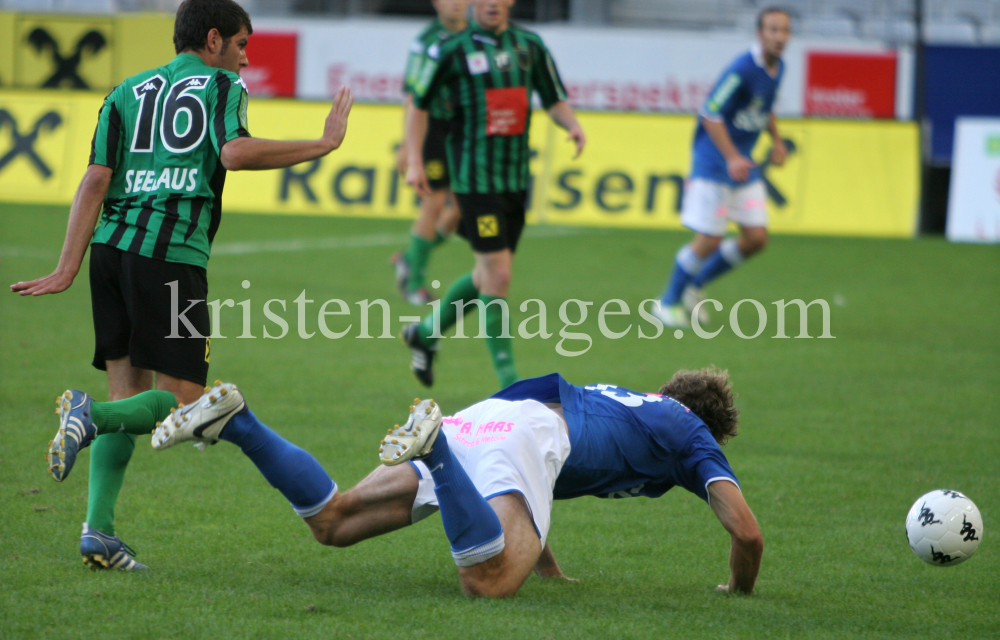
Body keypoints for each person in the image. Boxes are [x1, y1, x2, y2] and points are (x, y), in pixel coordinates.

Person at [13, 0, 353, 570]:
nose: (245, 61)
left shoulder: (125, 90)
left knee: (132, 394)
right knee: (185, 402)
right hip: (171, 257)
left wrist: (68, 266)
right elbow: (235, 154)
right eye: (242, 46)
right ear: (214, 39)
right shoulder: (222, 87)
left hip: (110, 253)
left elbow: (96, 178)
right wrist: (323, 145)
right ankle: (89, 414)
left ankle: (98, 530)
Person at [47, 368, 763, 596]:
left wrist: (547, 559)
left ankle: (240, 425)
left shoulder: (625, 406)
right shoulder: (687, 433)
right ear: (710, 423)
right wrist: (741, 588)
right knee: (488, 581)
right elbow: (748, 532)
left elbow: (532, 480)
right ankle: (438, 453)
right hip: (517, 440)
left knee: (334, 521)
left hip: (487, 418)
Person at [401, 0, 586, 389]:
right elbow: (418, 104)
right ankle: (510, 384)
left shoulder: (529, 46)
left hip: (515, 179)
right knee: (498, 274)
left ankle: (426, 333)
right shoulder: (451, 50)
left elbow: (553, 97)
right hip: (474, 180)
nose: (490, 2)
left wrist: (572, 125)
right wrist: (415, 159)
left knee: (486, 274)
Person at [656, 7, 790, 328]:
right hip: (716, 163)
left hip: (743, 165)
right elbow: (710, 112)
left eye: (784, 30)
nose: (779, 36)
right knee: (709, 240)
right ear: (760, 34)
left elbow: (764, 106)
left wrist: (778, 140)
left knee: (756, 238)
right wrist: (731, 157)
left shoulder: (778, 67)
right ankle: (667, 302)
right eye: (772, 29)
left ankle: (696, 284)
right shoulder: (742, 69)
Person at [391, 0, 467, 306]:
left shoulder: (477, 37)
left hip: (464, 129)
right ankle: (416, 284)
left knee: (460, 212)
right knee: (434, 202)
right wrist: (408, 145)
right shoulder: (426, 42)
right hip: (433, 128)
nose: (457, 4)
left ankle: (409, 258)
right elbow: (413, 94)